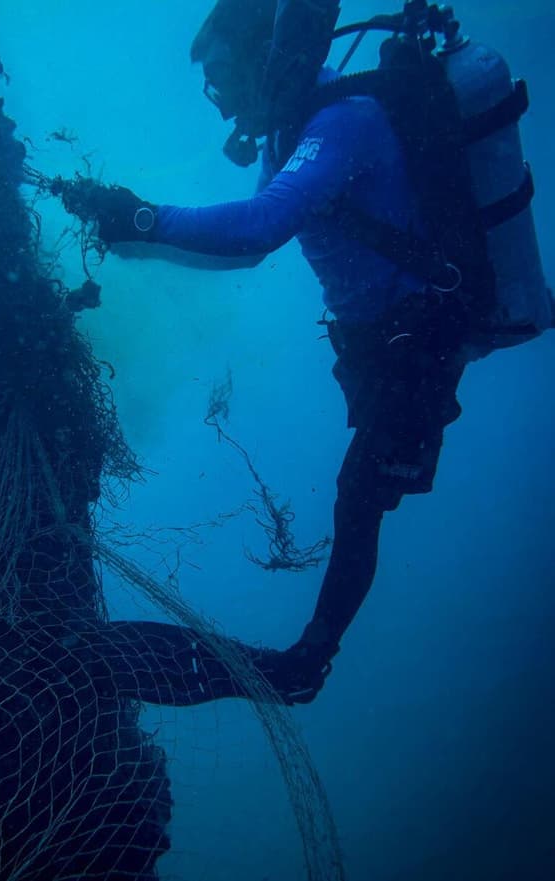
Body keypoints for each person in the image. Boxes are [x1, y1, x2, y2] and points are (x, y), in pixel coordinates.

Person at [58, 0, 552, 705]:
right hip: (380, 347)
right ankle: (303, 662)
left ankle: (306, 664)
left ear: (268, 56)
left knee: (360, 499)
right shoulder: (291, 132)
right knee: (362, 497)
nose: (217, 94)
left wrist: (144, 217)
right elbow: (251, 252)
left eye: (223, 73)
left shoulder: (340, 122)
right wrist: (137, 236)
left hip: (419, 339)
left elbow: (260, 227)